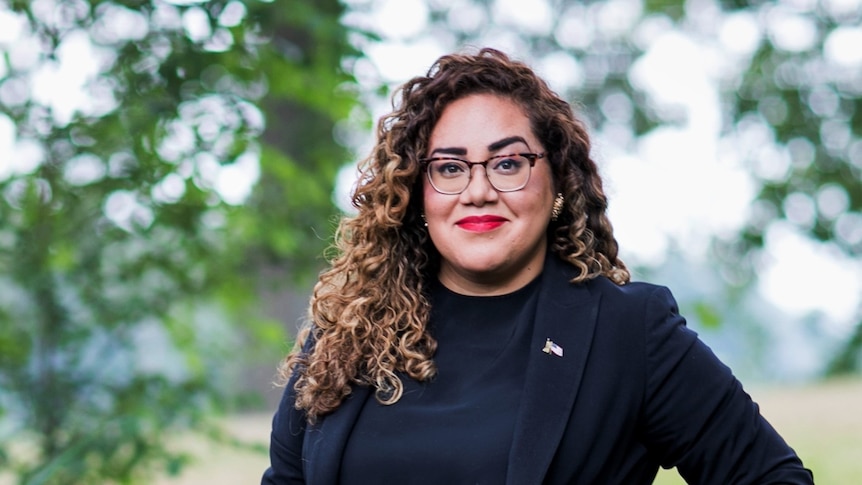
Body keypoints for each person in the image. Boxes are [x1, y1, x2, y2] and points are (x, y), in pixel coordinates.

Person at [261, 47, 813, 484]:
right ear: (415, 193)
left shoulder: (627, 333)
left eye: (508, 163)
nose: (478, 190)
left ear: (557, 185)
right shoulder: (345, 338)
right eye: (449, 168)